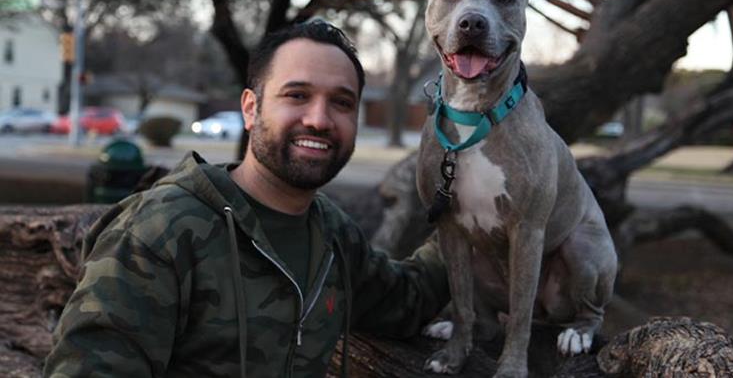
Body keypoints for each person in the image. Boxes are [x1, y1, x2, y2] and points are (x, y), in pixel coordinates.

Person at [44, 20, 449, 378]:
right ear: (251, 109)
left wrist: (468, 221)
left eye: (341, 103)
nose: (319, 120)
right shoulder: (160, 232)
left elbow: (406, 300)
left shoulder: (333, 236)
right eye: (297, 95)